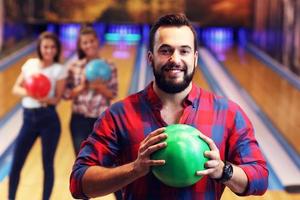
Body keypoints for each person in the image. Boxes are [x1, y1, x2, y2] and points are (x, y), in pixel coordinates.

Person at [70, 14, 268, 199]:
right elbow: (79, 182)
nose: (175, 59)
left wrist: (223, 171)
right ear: (150, 58)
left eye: (184, 50)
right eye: (165, 50)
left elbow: (260, 178)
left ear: (195, 58)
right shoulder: (119, 115)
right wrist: (135, 169)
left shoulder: (228, 113)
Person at [10, 31, 66, 200]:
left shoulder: (59, 69)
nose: (49, 50)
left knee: (47, 165)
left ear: (57, 50)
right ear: (40, 48)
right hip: (28, 119)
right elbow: (15, 88)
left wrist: (44, 98)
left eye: (52, 47)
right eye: (45, 47)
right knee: (16, 164)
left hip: (48, 120)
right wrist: (32, 93)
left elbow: (56, 99)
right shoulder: (30, 64)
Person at [64, 25, 118, 156]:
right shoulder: (74, 66)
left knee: (100, 162)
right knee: (81, 161)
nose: (89, 45)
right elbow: (67, 95)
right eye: (85, 42)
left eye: (92, 41)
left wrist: (99, 87)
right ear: (81, 45)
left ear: (97, 41)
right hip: (79, 120)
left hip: (101, 120)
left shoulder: (109, 66)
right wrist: (83, 86)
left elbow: (113, 94)